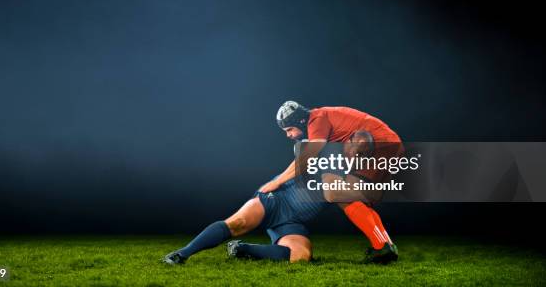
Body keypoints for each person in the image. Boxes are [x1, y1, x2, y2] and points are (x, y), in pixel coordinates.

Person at [162, 101, 401, 265]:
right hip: (275, 203)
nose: (288, 135)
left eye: (289, 129)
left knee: (308, 246)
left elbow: (311, 162)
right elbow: (306, 161)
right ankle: (182, 255)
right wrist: (276, 184)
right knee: (238, 222)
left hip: (293, 218)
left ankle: (383, 246)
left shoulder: (324, 133)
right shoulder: (327, 149)